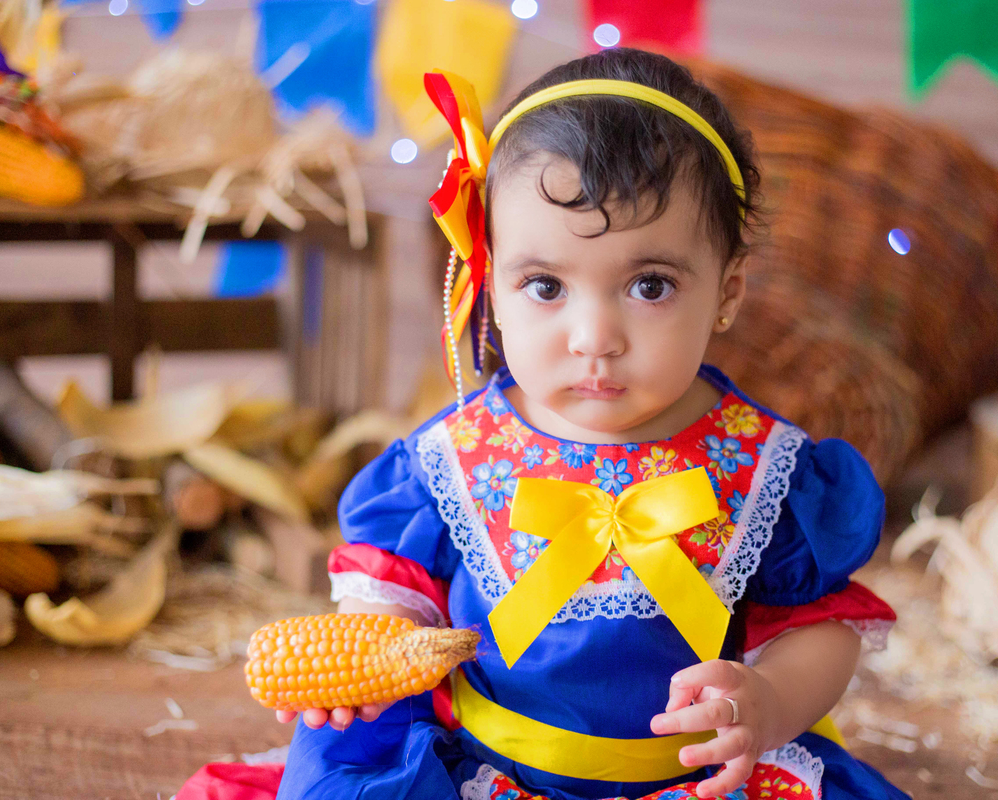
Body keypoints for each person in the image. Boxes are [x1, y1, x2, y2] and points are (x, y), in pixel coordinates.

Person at [203, 47, 909, 800]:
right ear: (492, 289)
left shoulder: (765, 469)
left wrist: (768, 702)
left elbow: (821, 630)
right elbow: (392, 593)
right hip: (484, 771)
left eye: (649, 285)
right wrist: (371, 655)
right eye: (545, 285)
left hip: (693, 782)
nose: (593, 335)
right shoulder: (456, 460)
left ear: (727, 292)